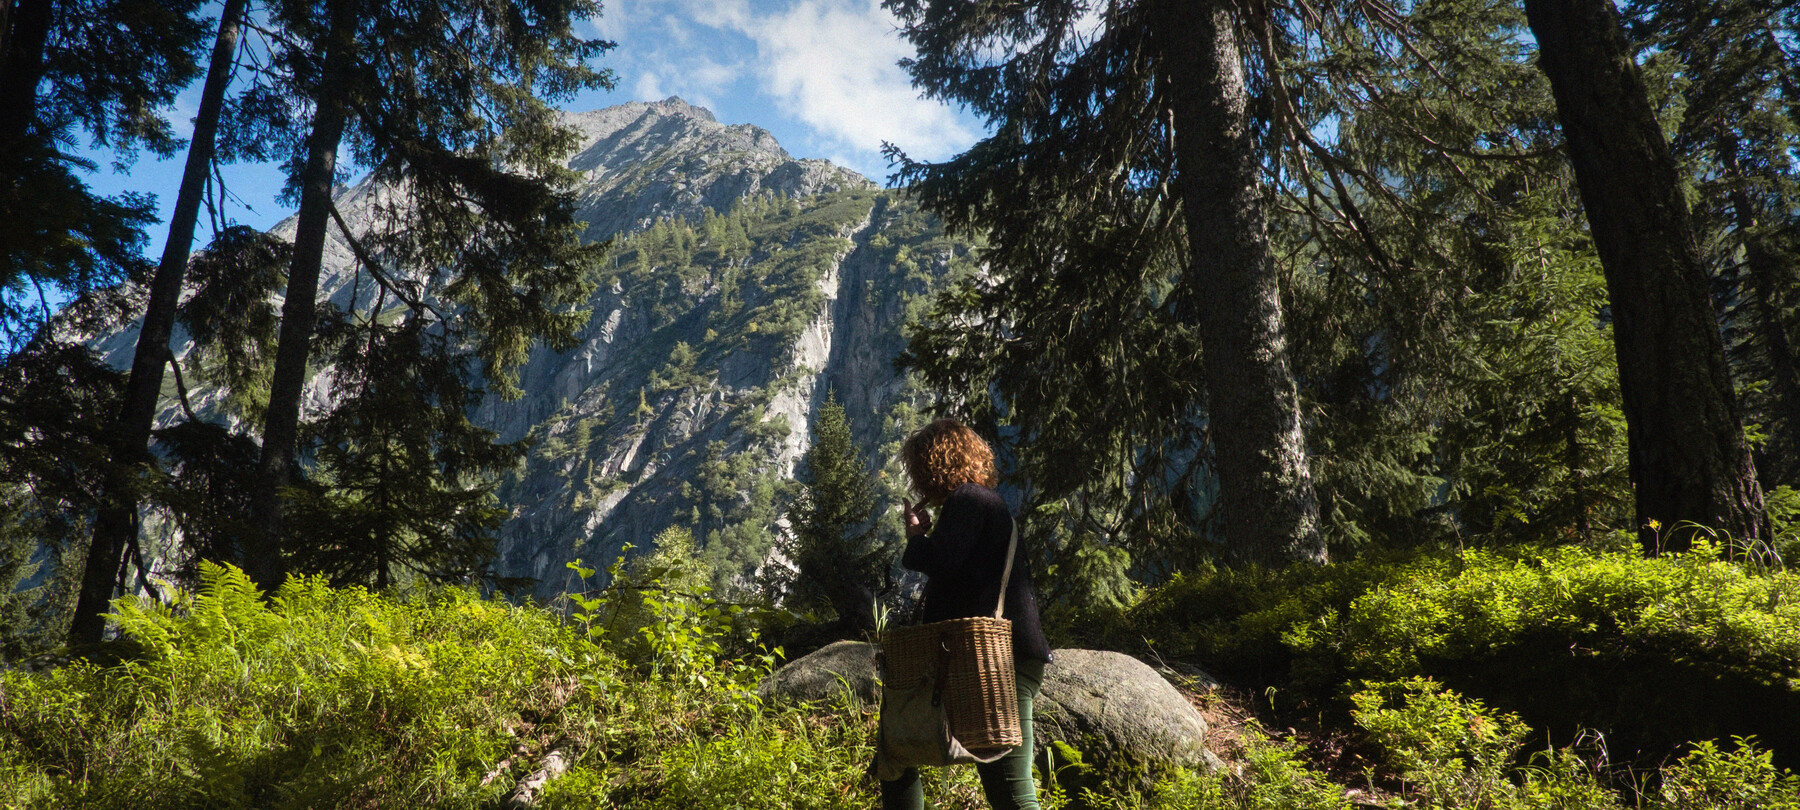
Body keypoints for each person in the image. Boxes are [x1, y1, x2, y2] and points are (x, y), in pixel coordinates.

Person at [883, 418, 1054, 810]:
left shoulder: (969, 500)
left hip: (996, 663)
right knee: (898, 756)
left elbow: (942, 561)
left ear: (932, 465)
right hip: (993, 659)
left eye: (918, 469)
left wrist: (916, 538)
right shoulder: (980, 503)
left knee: (1009, 791)